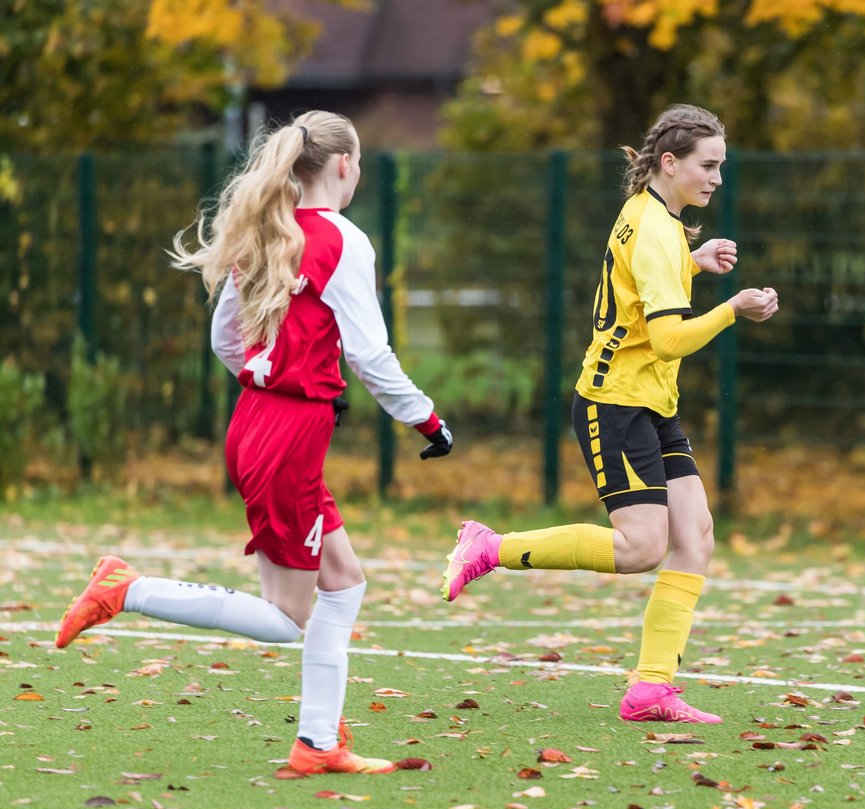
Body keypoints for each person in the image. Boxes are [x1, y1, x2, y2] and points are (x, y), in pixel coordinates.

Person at [54, 111, 453, 775]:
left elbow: (224, 341)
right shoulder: (342, 240)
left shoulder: (269, 231)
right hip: (288, 435)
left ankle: (318, 745)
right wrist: (426, 419)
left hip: (258, 421)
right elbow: (370, 354)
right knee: (286, 616)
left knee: (345, 582)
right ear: (345, 166)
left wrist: (273, 378)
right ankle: (129, 588)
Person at [440, 104, 778, 724]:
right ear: (670, 163)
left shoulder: (658, 214)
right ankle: (492, 548)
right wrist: (733, 308)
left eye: (722, 166)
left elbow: (637, 286)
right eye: (709, 166)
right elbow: (671, 338)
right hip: (615, 402)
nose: (717, 179)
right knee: (642, 547)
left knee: (694, 535)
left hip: (649, 400)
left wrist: (693, 265)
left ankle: (651, 688)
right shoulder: (655, 229)